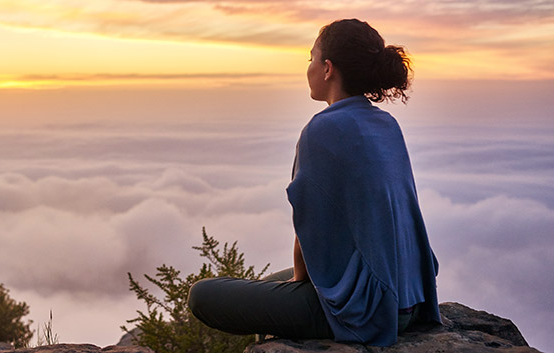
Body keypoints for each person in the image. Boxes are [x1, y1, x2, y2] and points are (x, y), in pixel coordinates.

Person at [187, 19, 441, 346]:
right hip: (410, 297)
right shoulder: (385, 124)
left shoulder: (322, 130)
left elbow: (309, 233)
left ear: (327, 69)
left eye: (311, 58)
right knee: (266, 284)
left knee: (203, 295)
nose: (308, 67)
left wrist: (299, 287)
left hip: (370, 310)